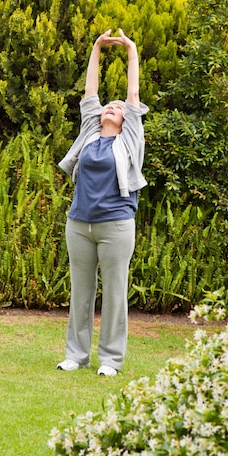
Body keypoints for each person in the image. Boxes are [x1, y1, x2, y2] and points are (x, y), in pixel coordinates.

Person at [57, 29, 149, 376]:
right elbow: (89, 91)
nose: (112, 107)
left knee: (114, 294)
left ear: (127, 119)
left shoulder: (129, 140)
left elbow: (133, 92)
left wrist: (131, 50)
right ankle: (76, 356)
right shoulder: (90, 134)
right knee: (80, 292)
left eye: (119, 108)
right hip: (79, 223)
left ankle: (110, 361)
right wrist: (96, 46)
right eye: (108, 106)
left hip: (116, 224)